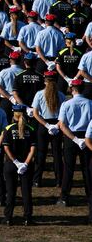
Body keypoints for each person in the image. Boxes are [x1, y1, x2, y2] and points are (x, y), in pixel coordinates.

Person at [57, 79, 92, 207]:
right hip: (87, 136)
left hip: (70, 137)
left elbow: (62, 125)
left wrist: (75, 139)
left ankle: (64, 197)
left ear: (72, 89)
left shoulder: (66, 104)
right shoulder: (90, 103)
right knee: (87, 168)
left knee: (69, 168)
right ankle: (90, 196)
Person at [1, 104, 36, 226]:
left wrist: (16, 162)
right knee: (26, 192)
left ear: (13, 113)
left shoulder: (8, 128)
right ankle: (28, 218)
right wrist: (25, 164)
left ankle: (8, 218)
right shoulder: (30, 129)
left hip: (11, 164)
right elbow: (32, 149)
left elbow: (6, 148)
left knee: (11, 192)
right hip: (26, 164)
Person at [32, 70, 66, 187]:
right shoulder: (61, 95)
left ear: (44, 80)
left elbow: (35, 113)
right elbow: (63, 114)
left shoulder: (39, 94)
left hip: (43, 125)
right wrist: (55, 126)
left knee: (41, 153)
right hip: (56, 126)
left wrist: (46, 126)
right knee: (57, 154)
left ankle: (37, 180)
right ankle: (59, 180)